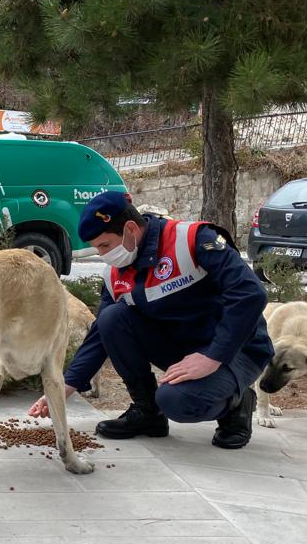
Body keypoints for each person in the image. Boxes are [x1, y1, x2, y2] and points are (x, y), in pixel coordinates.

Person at [28, 191, 273, 449]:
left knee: (176, 401)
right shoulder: (116, 274)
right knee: (111, 317)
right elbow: (101, 332)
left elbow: (250, 294)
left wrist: (212, 356)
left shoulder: (192, 240)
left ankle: (237, 403)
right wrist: (65, 387)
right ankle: (147, 413)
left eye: (105, 245)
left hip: (236, 348)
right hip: (183, 346)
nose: (102, 255)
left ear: (130, 229)